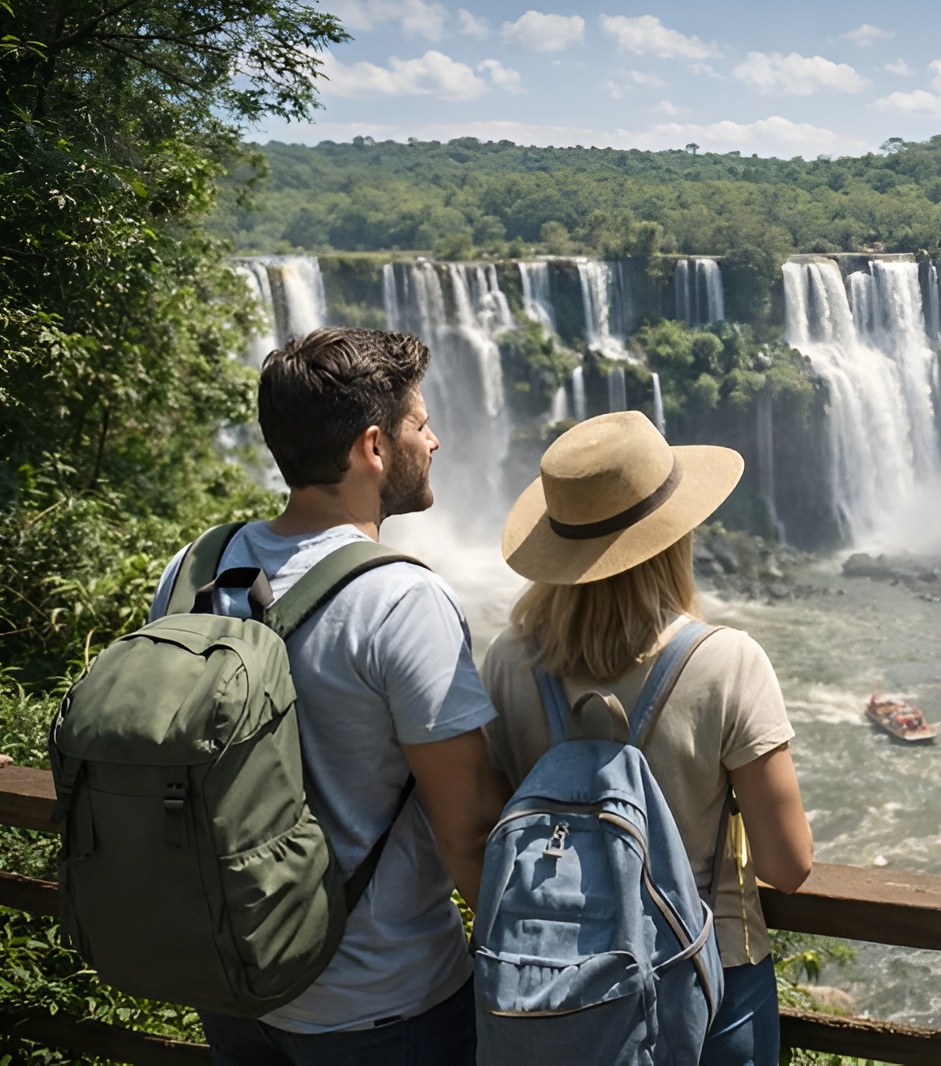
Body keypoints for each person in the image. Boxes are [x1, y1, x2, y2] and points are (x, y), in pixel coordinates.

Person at [149, 327, 511, 1064]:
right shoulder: (401, 598)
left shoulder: (193, 567)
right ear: (373, 448)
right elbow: (470, 831)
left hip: (235, 979)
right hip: (385, 1005)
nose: (435, 440)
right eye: (420, 423)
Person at [480, 410, 813, 1066]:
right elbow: (788, 865)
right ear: (673, 536)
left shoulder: (508, 663)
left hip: (551, 987)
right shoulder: (727, 661)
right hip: (710, 978)